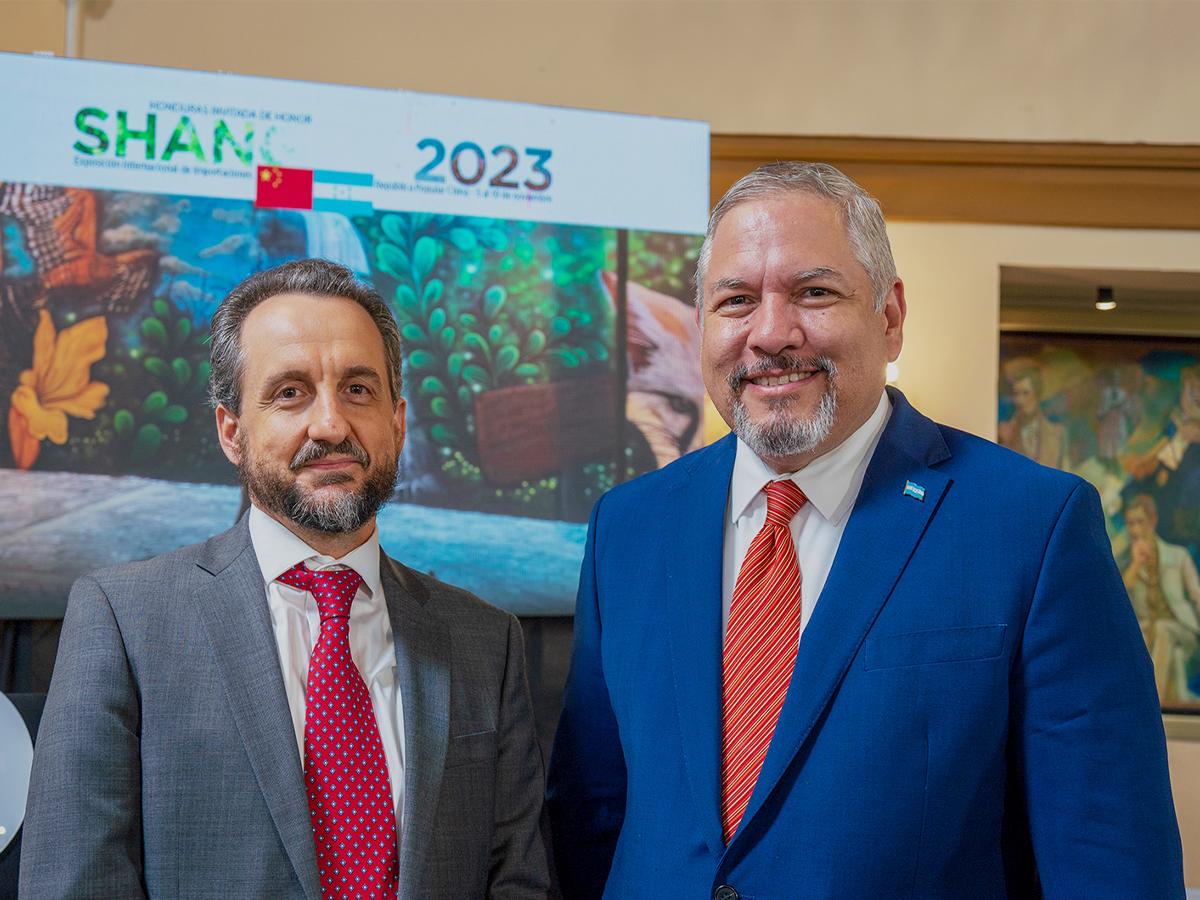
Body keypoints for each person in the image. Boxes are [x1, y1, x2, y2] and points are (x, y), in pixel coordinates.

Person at [547, 163, 1183, 899]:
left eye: (814, 293)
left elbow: (1109, 861)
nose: (771, 333)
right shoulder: (628, 527)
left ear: (889, 317)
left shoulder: (1033, 527)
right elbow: (592, 816)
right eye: (736, 300)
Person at [20, 259, 550, 899]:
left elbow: (517, 880)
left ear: (399, 421)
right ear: (232, 432)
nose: (330, 424)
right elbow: (76, 885)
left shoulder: (485, 643)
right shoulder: (124, 622)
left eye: (358, 389)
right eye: (290, 392)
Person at [1122, 493, 1200, 703]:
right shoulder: (1126, 561)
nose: (1136, 529)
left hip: (1181, 629)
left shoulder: (1178, 555)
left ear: (1153, 521)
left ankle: (1153, 702)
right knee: (1144, 636)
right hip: (1146, 629)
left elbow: (1197, 596)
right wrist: (1136, 565)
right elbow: (1119, 597)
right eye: (1130, 523)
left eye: (1140, 522)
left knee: (1163, 630)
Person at [998, 366, 1068, 468]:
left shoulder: (1058, 433)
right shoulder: (1004, 433)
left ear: (1038, 394)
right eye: (1016, 394)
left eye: (1025, 393)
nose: (1019, 400)